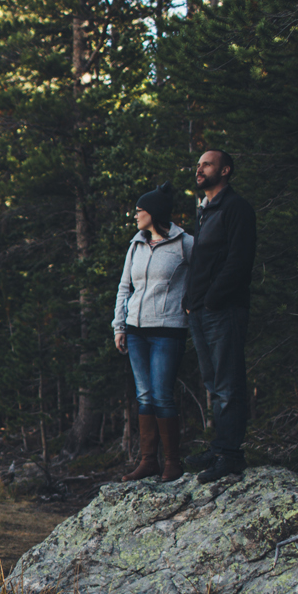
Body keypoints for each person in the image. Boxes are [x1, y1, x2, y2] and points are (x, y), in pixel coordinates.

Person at [183, 149, 257, 484]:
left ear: (225, 170)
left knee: (228, 383)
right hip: (199, 311)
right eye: (198, 165)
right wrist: (191, 301)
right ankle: (219, 448)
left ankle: (230, 455)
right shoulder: (204, 211)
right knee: (213, 382)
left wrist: (213, 299)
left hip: (224, 309)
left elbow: (239, 261)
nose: (199, 169)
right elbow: (201, 261)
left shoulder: (235, 208)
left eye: (207, 164)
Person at [113, 182, 193, 482]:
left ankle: (173, 462)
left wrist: (191, 302)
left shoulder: (185, 243)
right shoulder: (135, 245)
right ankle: (149, 461)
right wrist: (119, 326)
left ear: (155, 213)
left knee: (162, 396)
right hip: (136, 331)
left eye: (139, 210)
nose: (135, 215)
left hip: (168, 330)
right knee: (144, 395)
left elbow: (204, 273)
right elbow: (124, 288)